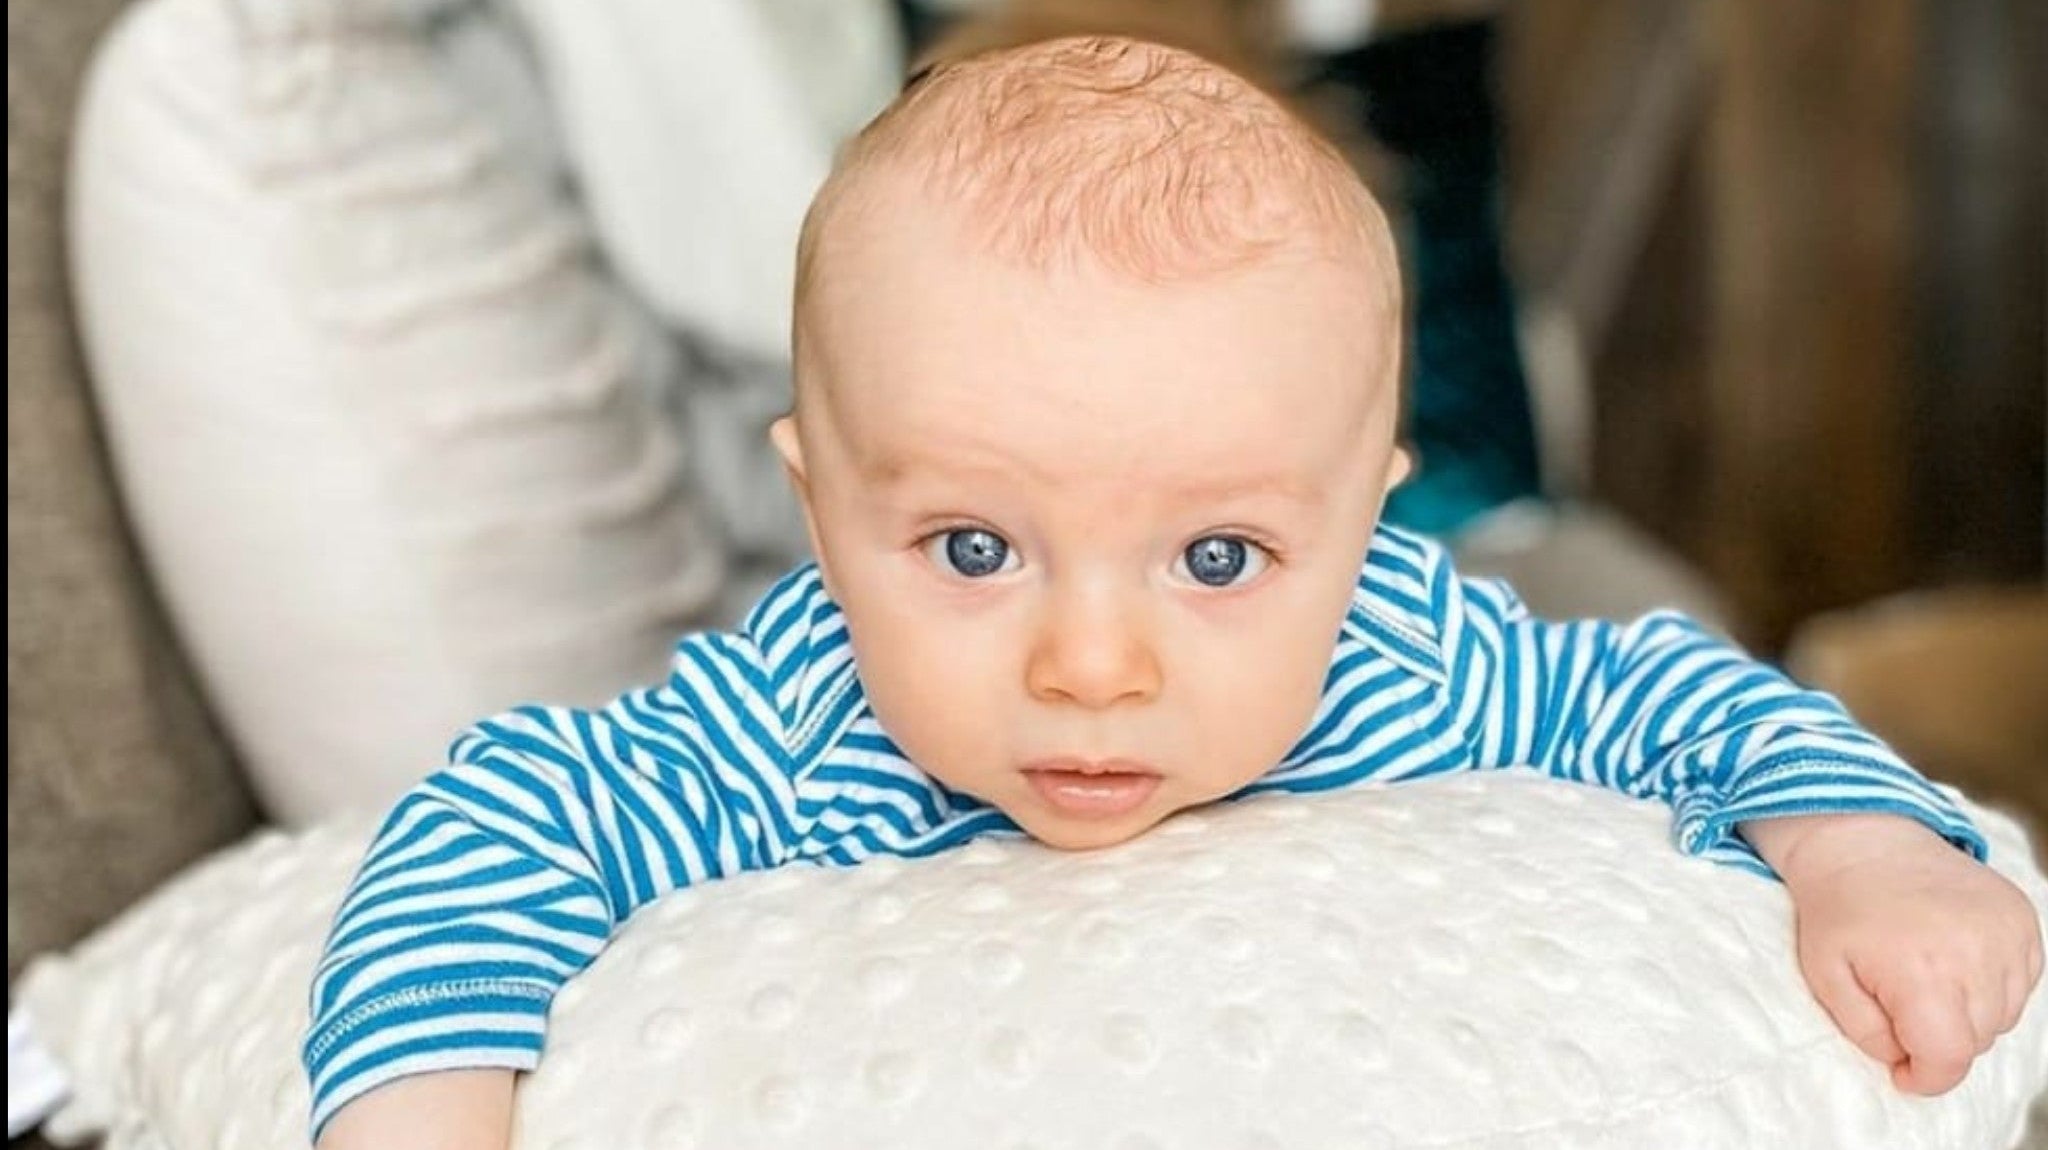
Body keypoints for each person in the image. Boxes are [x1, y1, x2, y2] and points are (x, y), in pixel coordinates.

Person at [306, 37, 2041, 1149]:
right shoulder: (792, 719)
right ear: (823, 518)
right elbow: (493, 816)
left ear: (1363, 533)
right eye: (973, 549)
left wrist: (1864, 848)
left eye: (1219, 559)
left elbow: (1676, 692)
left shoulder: (1409, 655)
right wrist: (423, 1112)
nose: (1090, 662)